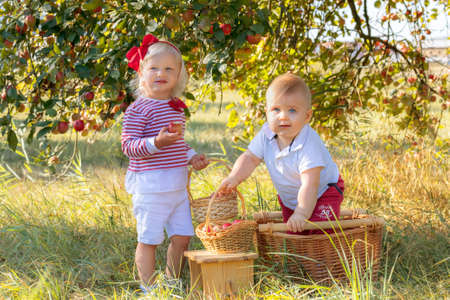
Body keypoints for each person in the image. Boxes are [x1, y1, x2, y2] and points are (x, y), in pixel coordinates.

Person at [121, 34, 209, 292]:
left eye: (169, 68)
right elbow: (128, 147)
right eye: (154, 68)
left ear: (179, 76)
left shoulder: (175, 108)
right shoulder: (138, 109)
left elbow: (179, 143)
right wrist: (155, 143)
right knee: (149, 239)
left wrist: (192, 156)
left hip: (177, 187)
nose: (161, 73)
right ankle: (148, 289)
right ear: (141, 74)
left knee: (182, 237)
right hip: (151, 188)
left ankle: (171, 282)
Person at [218, 73, 344, 234]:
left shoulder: (309, 143)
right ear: (266, 112)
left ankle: (324, 256)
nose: (283, 116)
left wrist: (301, 213)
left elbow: (310, 184)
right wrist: (234, 177)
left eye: (292, 110)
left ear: (306, 116)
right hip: (290, 199)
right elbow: (250, 158)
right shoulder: (266, 135)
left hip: (323, 192)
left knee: (320, 232)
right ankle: (298, 253)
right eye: (276, 109)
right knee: (293, 234)